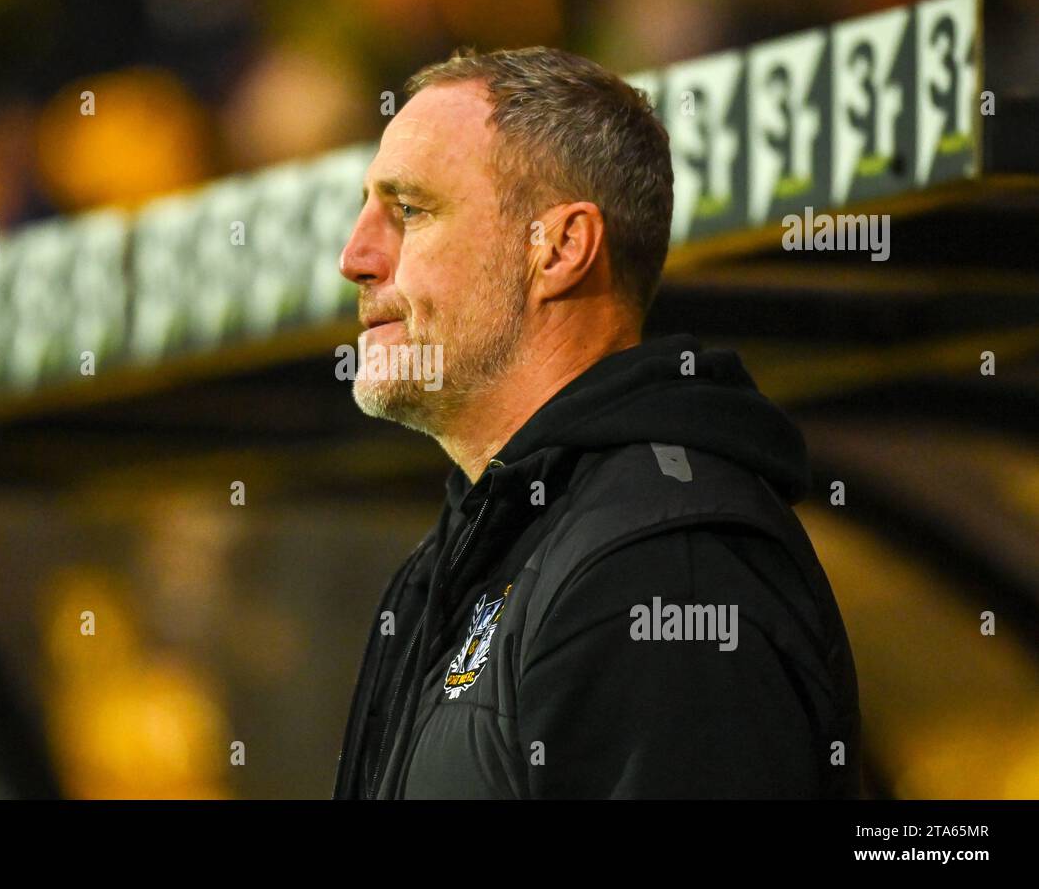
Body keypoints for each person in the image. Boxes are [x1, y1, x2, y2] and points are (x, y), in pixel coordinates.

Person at [331, 46, 861, 799]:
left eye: (408, 210)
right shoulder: (476, 552)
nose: (355, 257)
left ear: (562, 249)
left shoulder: (663, 569)